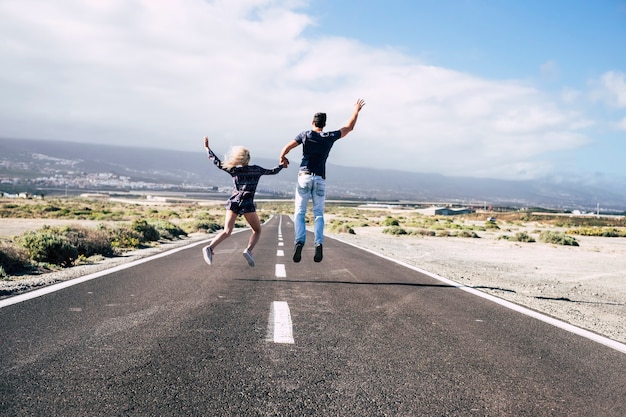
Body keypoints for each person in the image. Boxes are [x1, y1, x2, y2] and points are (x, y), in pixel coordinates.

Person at [279, 98, 366, 263]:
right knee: (318, 214)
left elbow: (287, 147)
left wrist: (282, 158)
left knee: (300, 212)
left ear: (313, 122)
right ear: (324, 124)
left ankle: (299, 241)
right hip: (320, 179)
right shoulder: (329, 136)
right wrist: (356, 110)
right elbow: (349, 128)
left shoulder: (305, 134)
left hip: (303, 177)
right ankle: (318, 243)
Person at [202, 136, 285, 267]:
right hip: (247, 204)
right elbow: (272, 171)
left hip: (234, 202)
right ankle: (248, 250)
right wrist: (282, 166)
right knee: (257, 230)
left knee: (227, 231)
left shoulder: (234, 170)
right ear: (248, 159)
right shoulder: (256, 169)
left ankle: (210, 248)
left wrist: (207, 148)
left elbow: (217, 163)